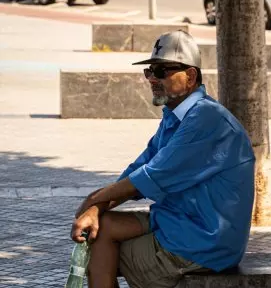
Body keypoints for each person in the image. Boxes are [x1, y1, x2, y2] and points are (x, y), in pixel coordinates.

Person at [70, 30, 256, 288]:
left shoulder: (206, 119)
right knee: (104, 224)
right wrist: (96, 209)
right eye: (149, 72)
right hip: (178, 222)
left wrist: (93, 200)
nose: (152, 79)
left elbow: (151, 176)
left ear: (190, 76)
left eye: (161, 72)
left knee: (98, 247)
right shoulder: (175, 117)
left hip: (203, 242)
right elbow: (136, 172)